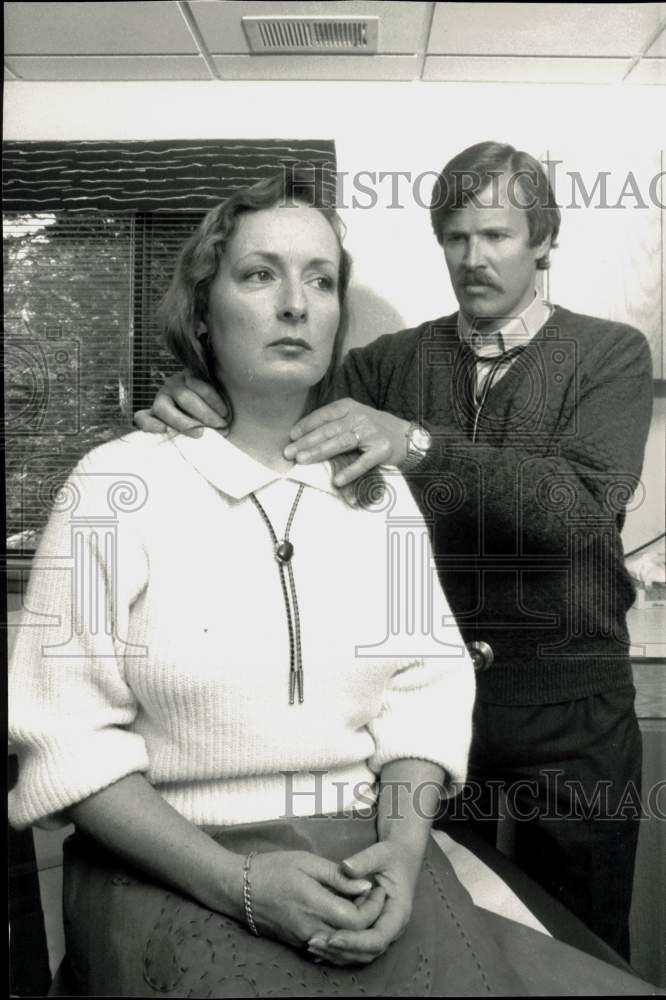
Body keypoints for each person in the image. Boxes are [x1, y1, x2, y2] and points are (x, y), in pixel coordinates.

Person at [136, 142, 654, 963]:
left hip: (572, 711)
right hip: (429, 719)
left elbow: (585, 511)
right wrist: (192, 395)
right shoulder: (387, 365)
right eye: (454, 236)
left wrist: (415, 443)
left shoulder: (610, 353)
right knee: (448, 936)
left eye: (496, 235)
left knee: (583, 946)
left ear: (544, 239)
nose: (472, 258)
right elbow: (276, 419)